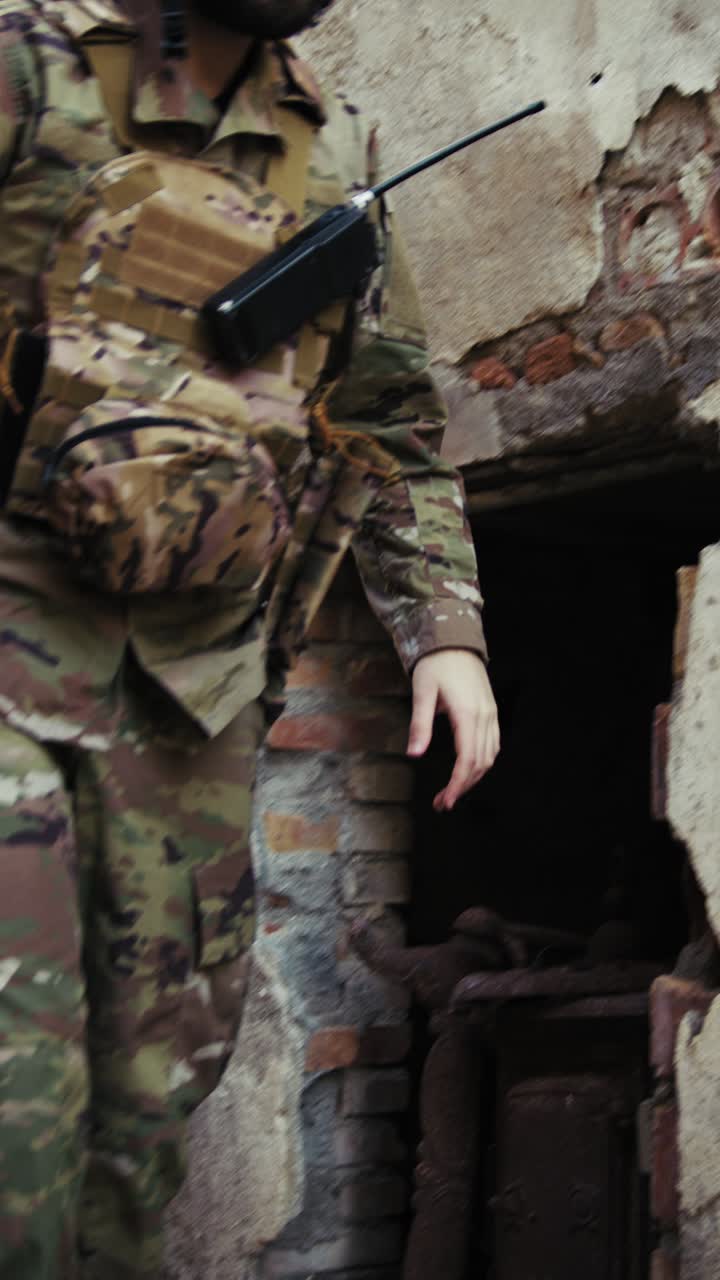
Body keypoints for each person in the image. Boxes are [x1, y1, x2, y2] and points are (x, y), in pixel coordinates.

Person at [0, 0, 499, 1274]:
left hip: (191, 702)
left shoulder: (331, 155)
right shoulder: (29, 71)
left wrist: (445, 633)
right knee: (18, 1120)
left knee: (145, 1116)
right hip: (11, 659)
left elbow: (390, 423)